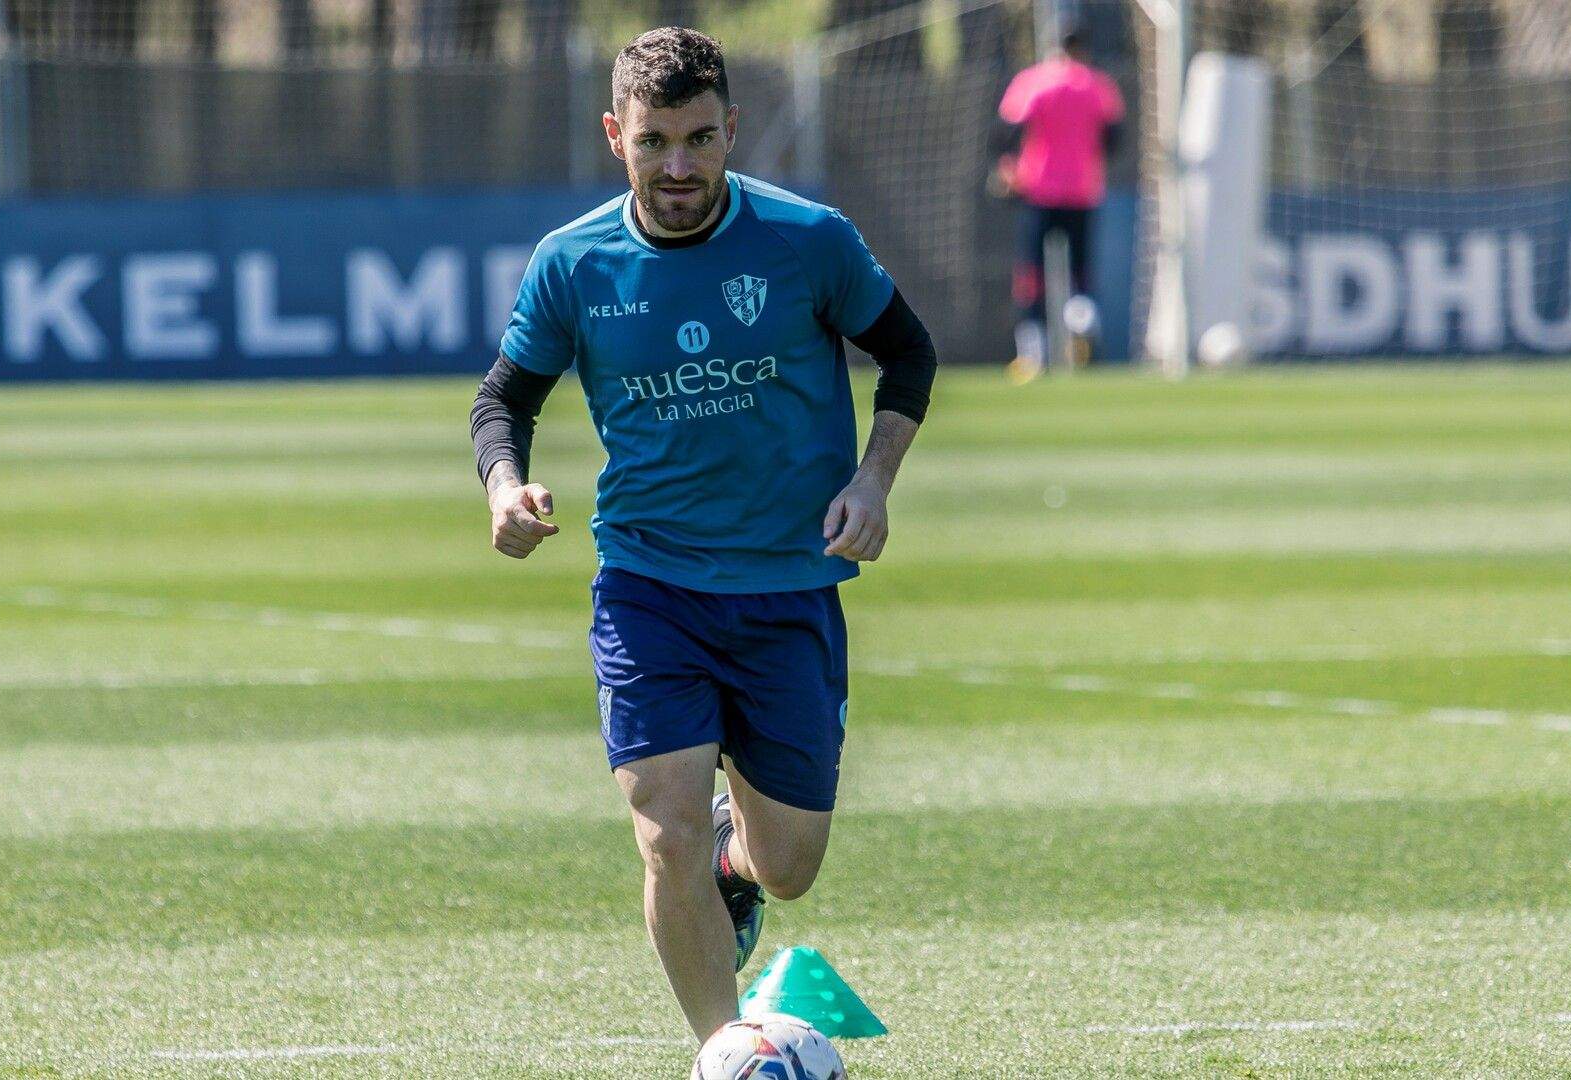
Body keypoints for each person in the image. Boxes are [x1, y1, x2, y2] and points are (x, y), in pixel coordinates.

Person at [468, 27, 937, 1041]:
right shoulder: (573, 262)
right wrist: (504, 485)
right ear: (615, 136)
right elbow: (502, 399)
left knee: (790, 868)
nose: (678, 167)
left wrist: (873, 479)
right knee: (663, 831)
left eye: (698, 139)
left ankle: (741, 857)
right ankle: (724, 1054)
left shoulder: (808, 239)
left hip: (786, 590)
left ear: (733, 129)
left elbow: (907, 353)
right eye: (653, 143)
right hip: (649, 587)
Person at [995, 24, 1124, 375]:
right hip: (1083, 191)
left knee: (1032, 274)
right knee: (1081, 272)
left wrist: (1010, 170)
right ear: (1083, 48)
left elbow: (1007, 131)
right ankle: (1083, 336)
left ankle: (1032, 355)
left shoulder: (1034, 81)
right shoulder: (1098, 85)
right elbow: (1113, 139)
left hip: (1038, 190)